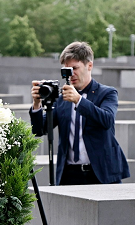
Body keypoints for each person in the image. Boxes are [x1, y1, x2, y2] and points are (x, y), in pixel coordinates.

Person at [30, 41, 129, 185]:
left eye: (75, 68)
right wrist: (37, 103)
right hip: (68, 174)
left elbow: (107, 120)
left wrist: (78, 100)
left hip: (101, 173)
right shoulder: (62, 97)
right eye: (66, 69)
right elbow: (40, 130)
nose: (71, 74)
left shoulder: (107, 93)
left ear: (89, 66)